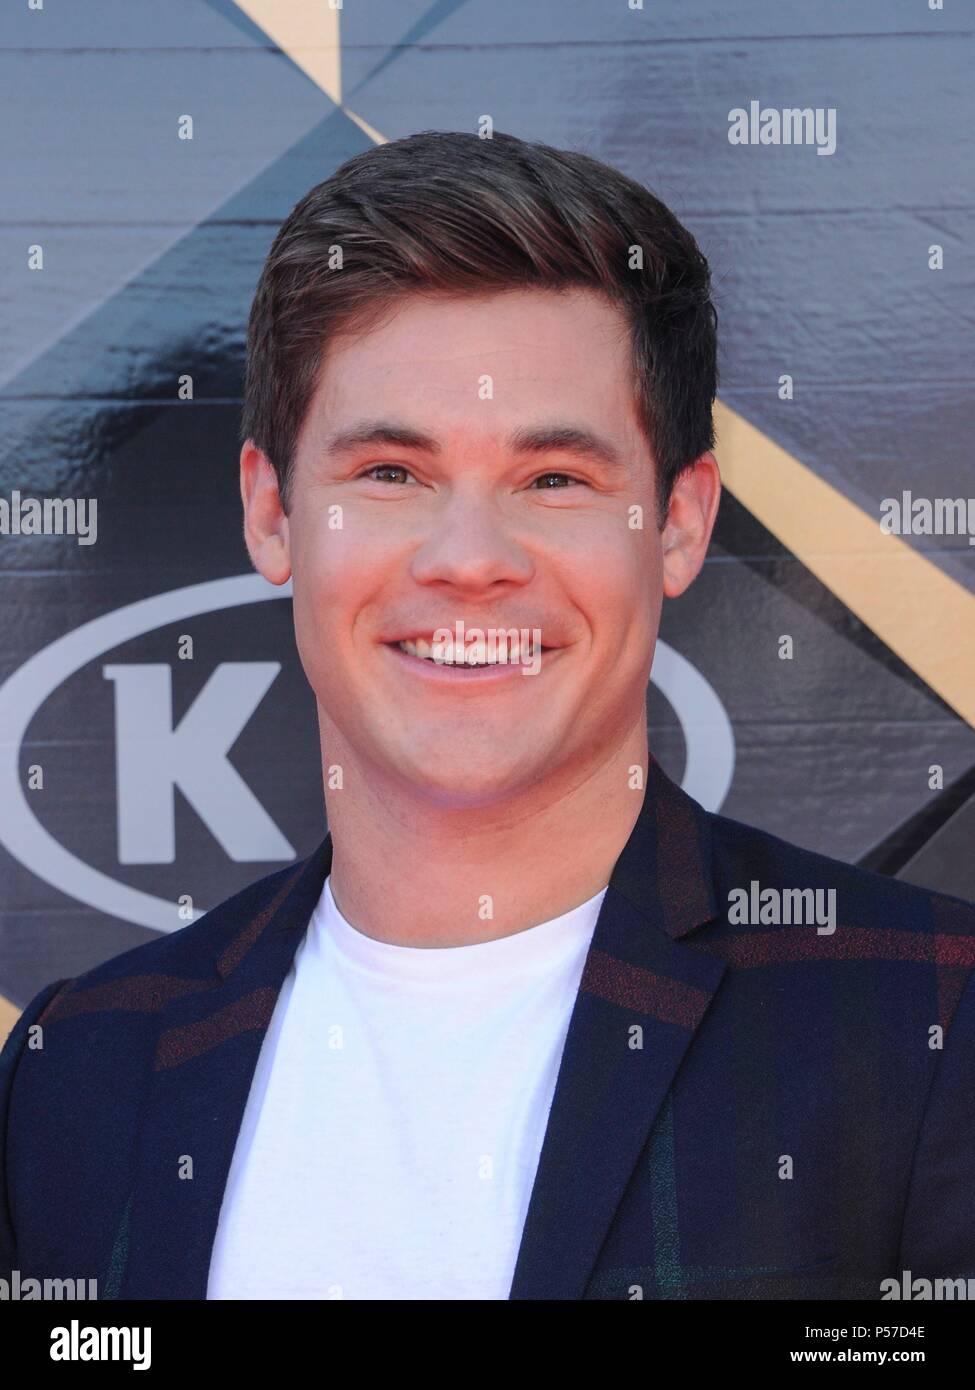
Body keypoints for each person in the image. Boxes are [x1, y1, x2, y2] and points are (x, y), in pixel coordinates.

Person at [2, 131, 973, 1302]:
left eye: (554, 479)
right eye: (391, 475)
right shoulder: (79, 1070)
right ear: (271, 512)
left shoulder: (929, 1025)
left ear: (678, 522)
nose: (469, 561)